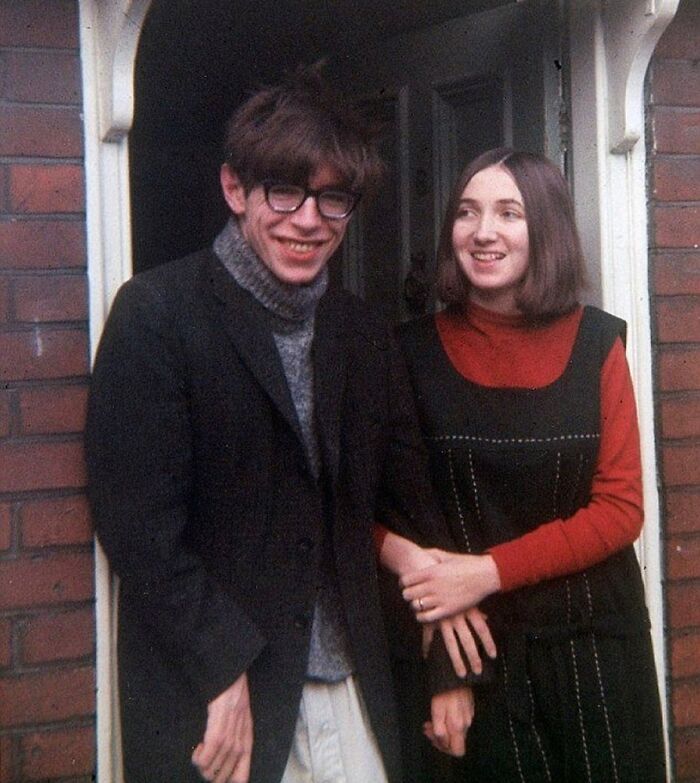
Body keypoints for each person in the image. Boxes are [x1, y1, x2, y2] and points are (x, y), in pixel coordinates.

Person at [85, 67, 489, 783]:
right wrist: (221, 664)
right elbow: (139, 529)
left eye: (333, 198)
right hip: (222, 700)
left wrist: (441, 662)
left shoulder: (362, 330)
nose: (308, 219)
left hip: (357, 688)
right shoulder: (156, 315)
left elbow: (408, 502)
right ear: (235, 190)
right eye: (284, 191)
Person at [377, 148, 667, 782]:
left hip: (597, 646)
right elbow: (372, 514)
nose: (483, 232)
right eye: (468, 212)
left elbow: (621, 511)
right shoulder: (406, 353)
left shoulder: (598, 344)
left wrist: (487, 571)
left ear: (547, 230)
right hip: (477, 654)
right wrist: (443, 664)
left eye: (509, 213)